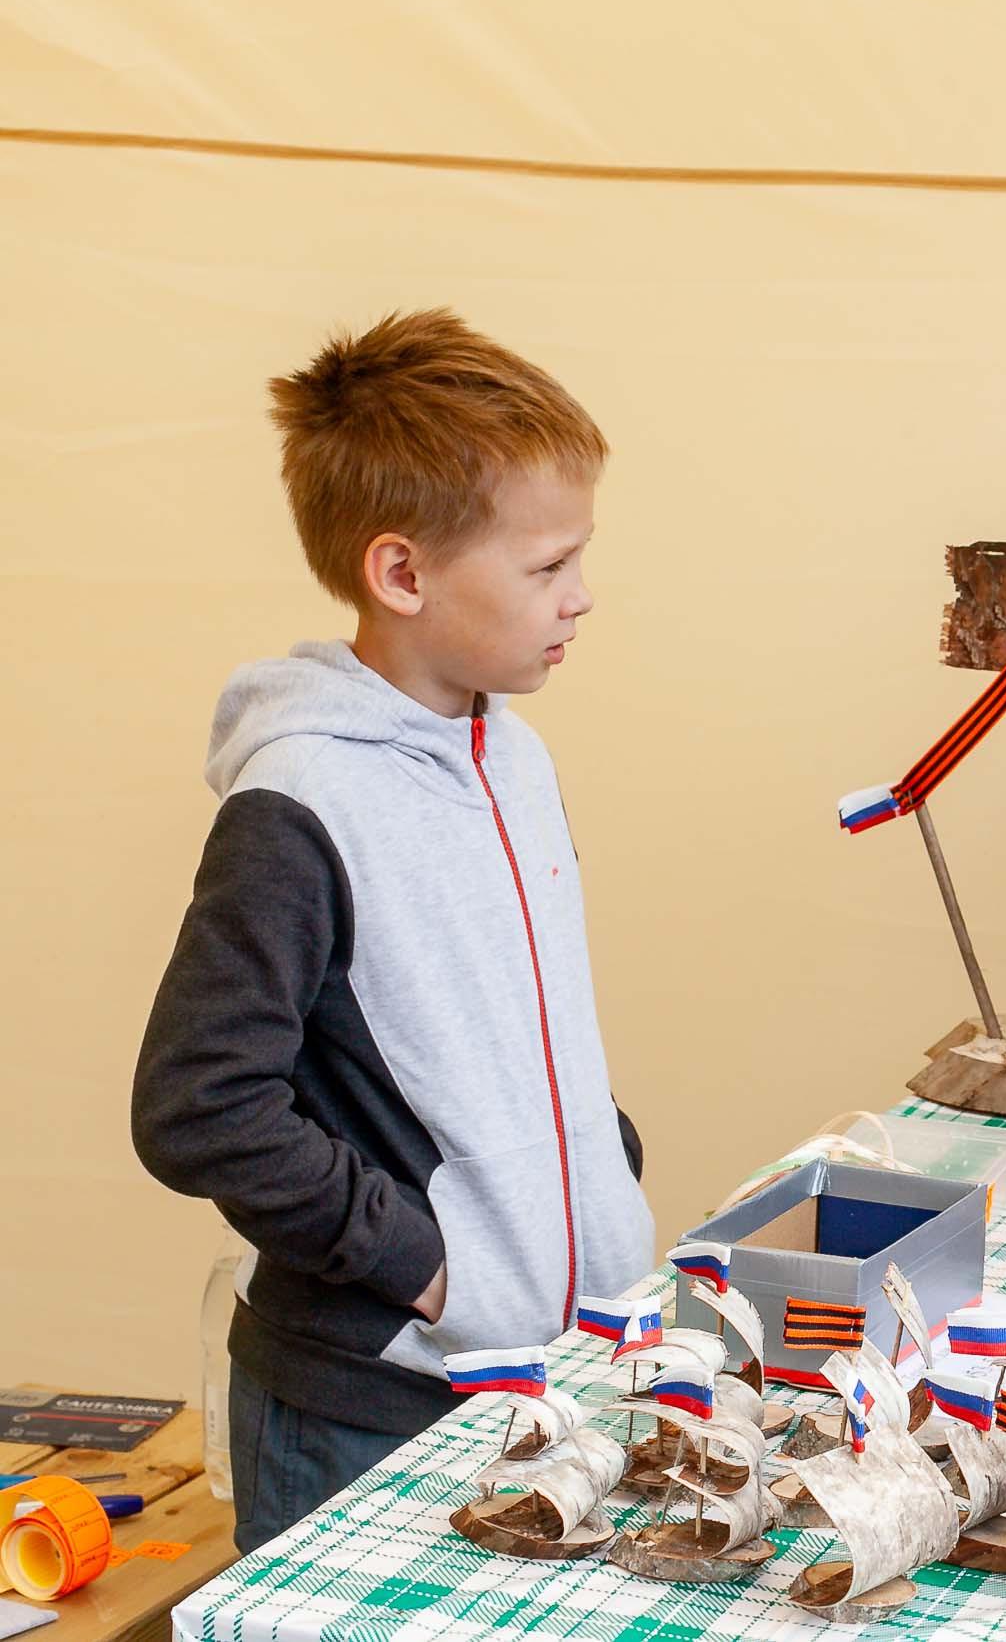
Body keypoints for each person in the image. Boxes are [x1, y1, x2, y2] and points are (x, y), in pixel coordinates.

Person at [131, 310, 655, 1552]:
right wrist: (423, 1260)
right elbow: (199, 1102)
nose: (580, 597)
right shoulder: (299, 801)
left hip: (538, 1384)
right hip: (369, 1415)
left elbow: (499, 1036)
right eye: (545, 568)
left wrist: (596, 1165)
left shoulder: (510, 752)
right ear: (402, 573)